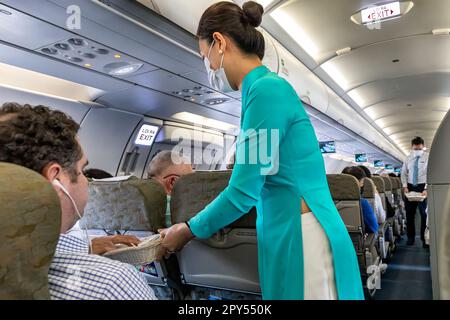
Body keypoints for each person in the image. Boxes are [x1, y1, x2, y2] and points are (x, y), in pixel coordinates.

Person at [157, 1, 363, 300]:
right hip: (287, 229)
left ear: (219, 42)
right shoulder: (259, 91)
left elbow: (244, 191)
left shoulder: (267, 91)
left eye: (206, 58)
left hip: (302, 235)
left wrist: (187, 229)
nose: (210, 68)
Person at [0, 103, 157, 300]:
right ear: (56, 179)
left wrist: (86, 247)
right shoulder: (112, 284)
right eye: (82, 170)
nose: (87, 181)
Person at [401, 136, 429, 248]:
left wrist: (426, 188)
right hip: (410, 186)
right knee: (409, 214)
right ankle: (410, 237)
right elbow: (403, 173)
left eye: (419, 149)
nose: (417, 151)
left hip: (423, 187)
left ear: (423, 147)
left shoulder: (428, 157)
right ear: (412, 148)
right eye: (415, 149)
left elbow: (430, 173)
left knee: (424, 214)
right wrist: (404, 186)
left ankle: (424, 238)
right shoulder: (408, 158)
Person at [342, 167, 379, 234]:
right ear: (358, 183)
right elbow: (374, 228)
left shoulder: (329, 201)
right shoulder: (362, 203)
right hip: (357, 242)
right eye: (362, 181)